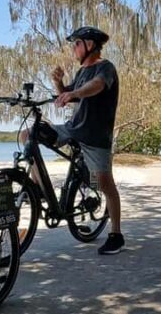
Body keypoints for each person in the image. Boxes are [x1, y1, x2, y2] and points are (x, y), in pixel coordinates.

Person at [46, 26, 124, 255]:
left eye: (77, 44)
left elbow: (96, 86)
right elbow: (68, 94)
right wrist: (59, 84)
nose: (74, 48)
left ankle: (116, 235)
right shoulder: (81, 72)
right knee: (29, 134)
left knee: (105, 184)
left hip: (95, 137)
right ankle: (38, 190)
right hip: (73, 129)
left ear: (90, 45)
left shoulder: (105, 68)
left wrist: (74, 93)